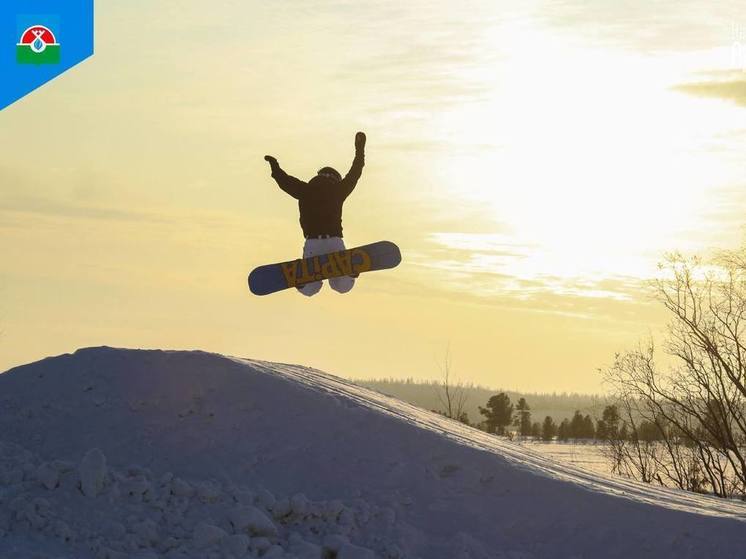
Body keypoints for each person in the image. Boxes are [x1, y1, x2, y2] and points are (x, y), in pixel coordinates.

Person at [264, 131, 366, 296]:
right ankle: (348, 272)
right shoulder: (338, 190)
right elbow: (355, 173)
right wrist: (359, 149)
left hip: (313, 244)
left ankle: (302, 281)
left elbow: (285, 182)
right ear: (336, 178)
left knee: (311, 289)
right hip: (334, 242)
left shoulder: (305, 190)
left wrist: (275, 167)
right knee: (341, 286)